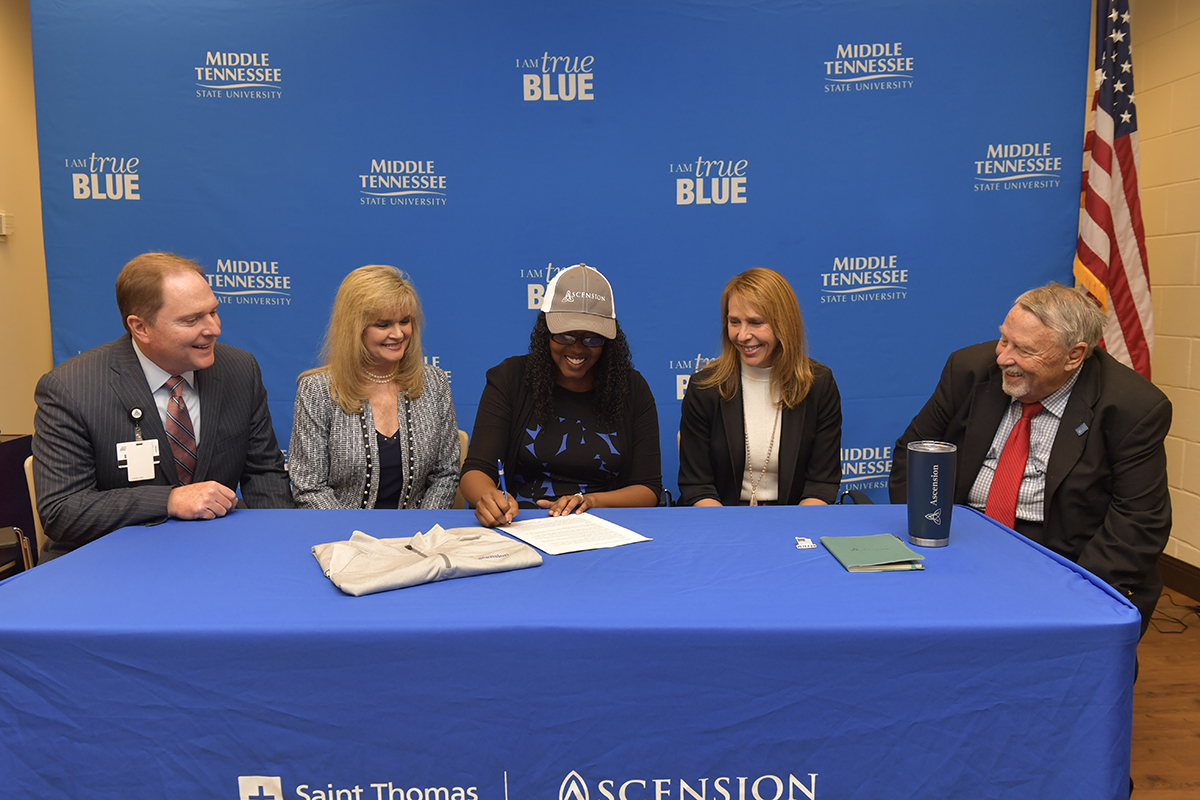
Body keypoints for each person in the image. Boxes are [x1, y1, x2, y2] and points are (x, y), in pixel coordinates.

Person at [889, 282, 1171, 633]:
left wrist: (1074, 591)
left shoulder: (1131, 406)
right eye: (1004, 339)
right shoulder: (969, 370)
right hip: (959, 536)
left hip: (1062, 557)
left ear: (1074, 355)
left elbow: (1139, 519)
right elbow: (913, 451)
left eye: (1024, 349)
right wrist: (923, 536)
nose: (1004, 358)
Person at [32, 252, 293, 561]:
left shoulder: (239, 369)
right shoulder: (72, 388)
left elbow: (264, 473)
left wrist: (280, 546)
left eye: (213, 312)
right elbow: (62, 511)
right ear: (140, 327)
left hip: (217, 553)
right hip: (112, 561)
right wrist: (168, 501)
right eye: (191, 319)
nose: (213, 329)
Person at [460, 263, 662, 526]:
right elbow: (475, 471)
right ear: (546, 331)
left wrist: (591, 501)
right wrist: (489, 498)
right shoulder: (510, 378)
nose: (577, 349)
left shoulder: (631, 388)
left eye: (592, 338)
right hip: (519, 525)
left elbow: (648, 489)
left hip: (603, 527)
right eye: (564, 335)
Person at [289, 265, 460, 509]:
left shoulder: (435, 383)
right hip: (341, 538)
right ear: (354, 328)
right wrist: (355, 539)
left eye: (405, 321)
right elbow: (309, 486)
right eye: (383, 324)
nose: (398, 334)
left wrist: (420, 533)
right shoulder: (317, 390)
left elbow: (446, 474)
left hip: (418, 539)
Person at [678, 267, 842, 506]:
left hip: (795, 517)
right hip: (720, 517)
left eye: (755, 322)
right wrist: (729, 535)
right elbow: (697, 486)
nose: (743, 335)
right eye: (735, 322)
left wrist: (795, 532)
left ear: (783, 324)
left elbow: (821, 483)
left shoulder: (818, 385)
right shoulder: (704, 387)